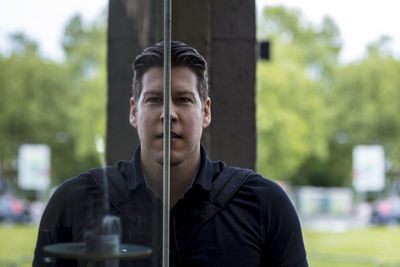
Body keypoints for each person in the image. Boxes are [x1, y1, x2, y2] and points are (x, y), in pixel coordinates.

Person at [33, 41, 308, 267]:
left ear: (206, 112)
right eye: (153, 99)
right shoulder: (72, 202)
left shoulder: (265, 205)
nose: (168, 114)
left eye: (183, 99)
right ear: (133, 111)